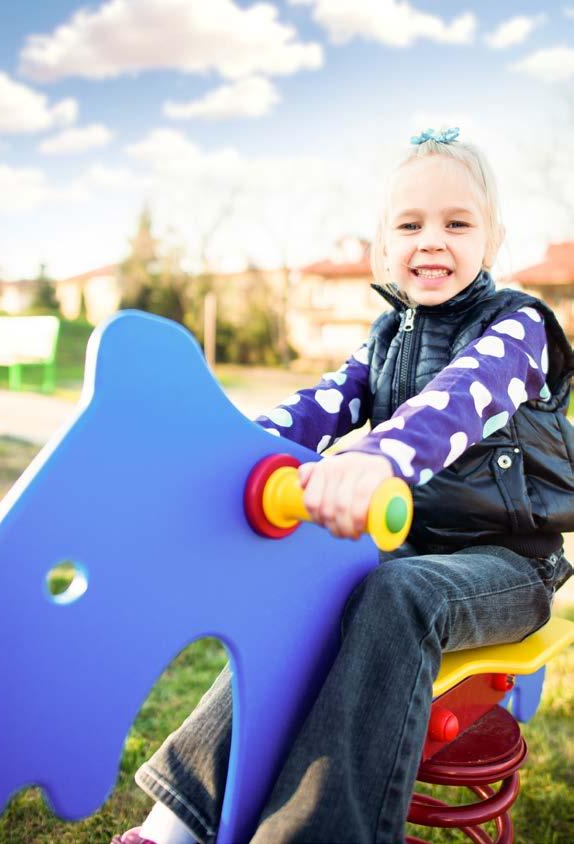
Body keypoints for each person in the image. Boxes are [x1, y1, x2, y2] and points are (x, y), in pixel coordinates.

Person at [113, 128, 574, 844]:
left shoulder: (519, 329)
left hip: (510, 567)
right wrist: (220, 455)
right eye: (410, 224)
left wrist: (381, 459)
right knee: (309, 588)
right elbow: (319, 405)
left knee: (396, 593)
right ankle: (178, 818)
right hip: (417, 548)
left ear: (493, 238)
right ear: (383, 244)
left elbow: (458, 401)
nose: (432, 242)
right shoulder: (386, 335)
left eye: (457, 224)